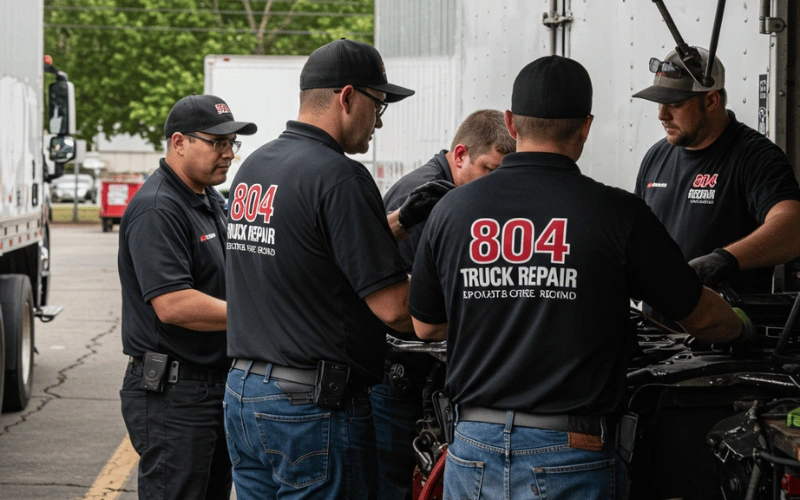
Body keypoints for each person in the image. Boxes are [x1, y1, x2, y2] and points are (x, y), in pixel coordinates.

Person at [408, 55, 754, 500]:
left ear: (511, 123)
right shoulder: (616, 214)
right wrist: (740, 327)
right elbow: (700, 317)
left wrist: (499, 302)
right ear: (586, 127)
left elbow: (426, 326)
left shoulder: (451, 211)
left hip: (473, 449)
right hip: (571, 455)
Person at [223, 39, 446, 500]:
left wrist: (402, 221)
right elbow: (396, 310)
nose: (379, 121)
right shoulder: (339, 175)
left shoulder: (255, 167)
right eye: (378, 104)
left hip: (246, 394)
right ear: (347, 97)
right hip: (310, 409)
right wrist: (483, 307)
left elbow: (312, 249)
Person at [118, 94, 257, 499]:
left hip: (212, 387)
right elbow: (173, 304)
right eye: (217, 143)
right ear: (179, 142)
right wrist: (259, 315)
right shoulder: (158, 208)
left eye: (232, 143)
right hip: (175, 396)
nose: (229, 153)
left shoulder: (209, 200)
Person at [372, 109, 515, 500]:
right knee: (398, 487)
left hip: (430, 377)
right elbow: (402, 308)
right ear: (461, 155)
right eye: (490, 169)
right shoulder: (424, 200)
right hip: (400, 380)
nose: (497, 184)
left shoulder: (466, 198)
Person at [633, 46, 800, 294]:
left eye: (674, 104)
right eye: (659, 104)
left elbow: (793, 228)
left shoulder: (756, 157)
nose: (662, 115)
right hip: (660, 318)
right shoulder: (656, 156)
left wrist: (724, 260)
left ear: (711, 101)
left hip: (726, 317)